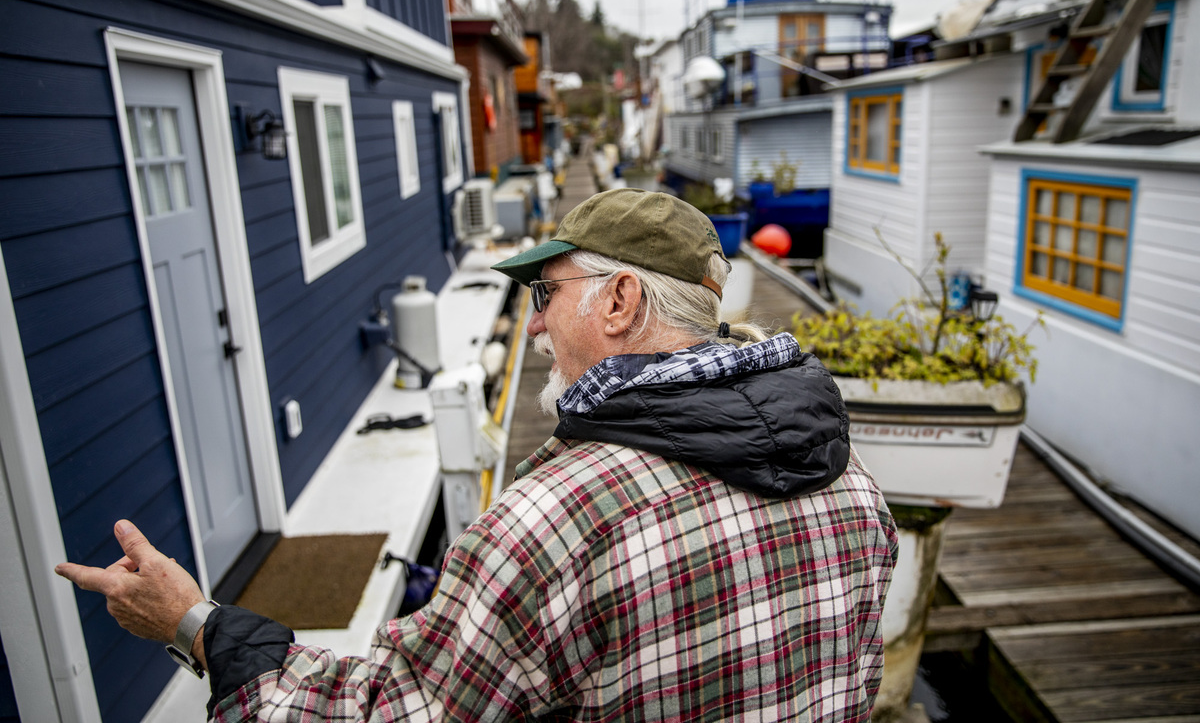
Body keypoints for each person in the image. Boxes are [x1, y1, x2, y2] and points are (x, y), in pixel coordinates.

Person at [57, 187, 898, 722]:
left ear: (620, 300)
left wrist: (200, 627)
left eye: (543, 293)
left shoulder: (553, 521)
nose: (532, 325)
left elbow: (390, 713)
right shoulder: (854, 482)